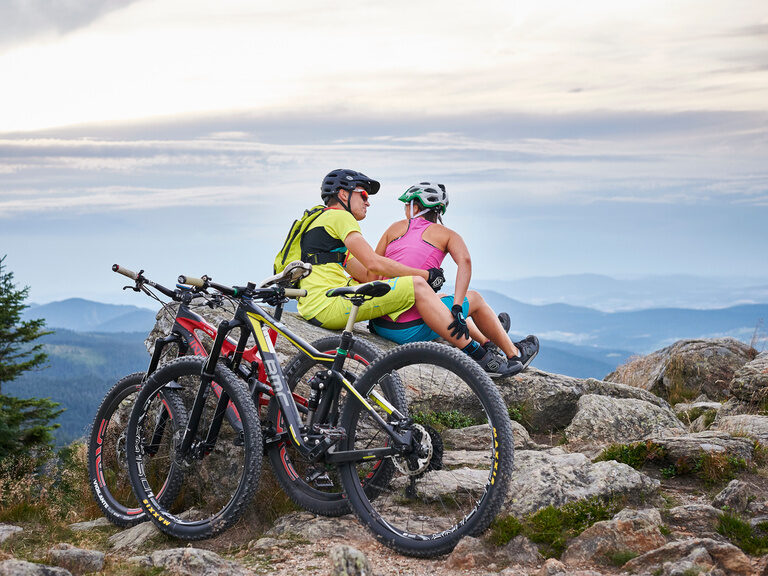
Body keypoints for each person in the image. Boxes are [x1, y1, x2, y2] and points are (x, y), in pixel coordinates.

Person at [295, 169, 524, 378]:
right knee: (437, 291)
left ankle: (487, 340)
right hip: (331, 307)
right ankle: (484, 355)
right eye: (364, 195)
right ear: (344, 195)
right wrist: (426, 275)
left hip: (319, 306)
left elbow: (368, 275)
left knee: (431, 296)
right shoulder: (341, 217)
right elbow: (374, 264)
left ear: (414, 206)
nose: (368, 202)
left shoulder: (320, 221)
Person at [368, 182, 539, 371]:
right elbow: (465, 262)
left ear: (414, 206)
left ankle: (488, 341)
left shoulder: (393, 229)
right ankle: (515, 354)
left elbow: (372, 272)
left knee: (439, 298)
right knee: (475, 299)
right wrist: (458, 306)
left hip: (379, 324)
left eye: (406, 206)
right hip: (408, 332)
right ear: (439, 211)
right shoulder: (448, 234)